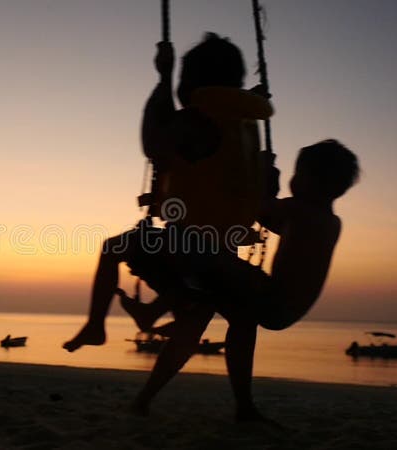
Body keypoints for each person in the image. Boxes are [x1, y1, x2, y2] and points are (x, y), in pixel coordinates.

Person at [63, 33, 273, 353]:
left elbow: (153, 145)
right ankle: (162, 310)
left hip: (191, 248)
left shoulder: (197, 120)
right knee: (191, 283)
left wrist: (163, 77)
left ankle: (95, 326)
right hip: (227, 243)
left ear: (189, 81)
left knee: (111, 249)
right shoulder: (244, 121)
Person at [126, 139, 360, 421]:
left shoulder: (299, 211)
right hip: (281, 307)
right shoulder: (327, 221)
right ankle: (241, 406)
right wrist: (267, 188)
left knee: (212, 257)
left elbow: (257, 209)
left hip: (271, 296)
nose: (293, 180)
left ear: (315, 182)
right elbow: (270, 218)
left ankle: (155, 310)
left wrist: (262, 175)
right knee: (222, 317)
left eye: (298, 174)